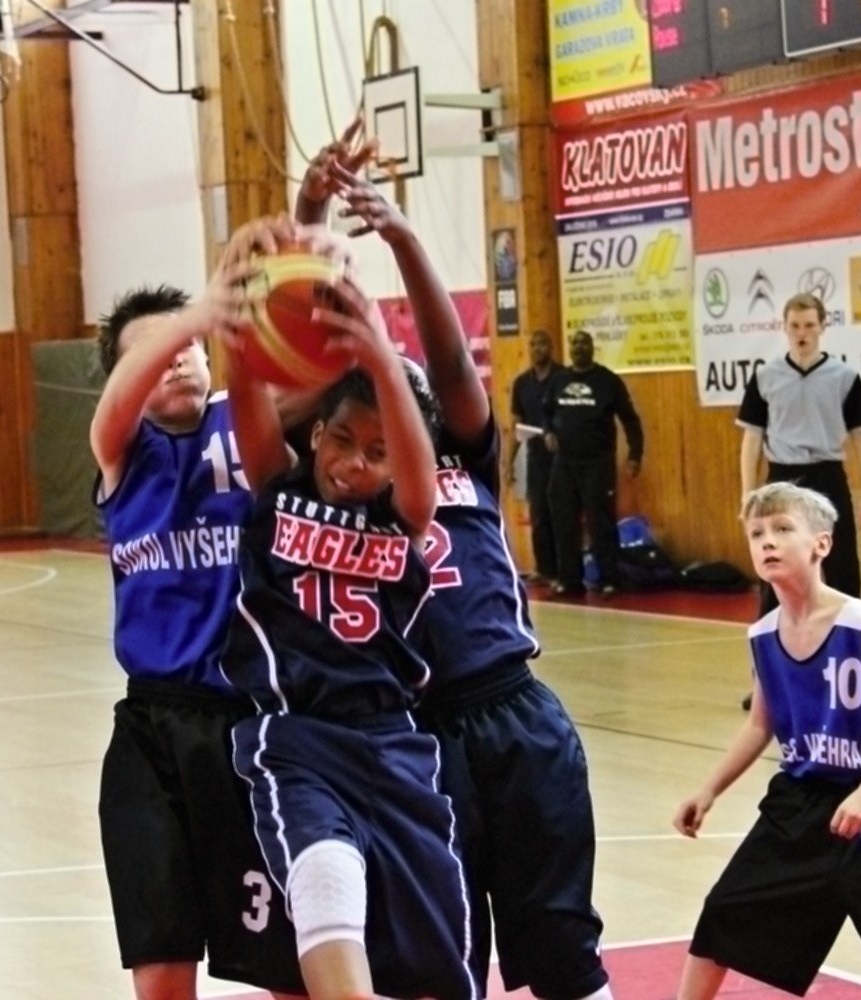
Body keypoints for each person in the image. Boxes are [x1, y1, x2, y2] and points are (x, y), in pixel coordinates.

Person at [315, 163, 612, 999]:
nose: (401, 406)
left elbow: (447, 361)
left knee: (560, 939)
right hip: (415, 733)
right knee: (442, 956)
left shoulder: (467, 457)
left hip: (516, 712)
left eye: (412, 400)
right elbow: (309, 369)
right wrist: (312, 228)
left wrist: (405, 240)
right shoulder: (345, 487)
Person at [220, 275, 481, 1000]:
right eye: (341, 440)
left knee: (437, 965)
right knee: (324, 877)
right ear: (315, 435)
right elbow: (246, 399)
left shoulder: (407, 514)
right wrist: (239, 327)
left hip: (396, 744)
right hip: (298, 738)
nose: (353, 463)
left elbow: (416, 469)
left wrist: (381, 353)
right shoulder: (278, 489)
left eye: (376, 451)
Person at [90, 220, 304, 1000]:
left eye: (189, 343)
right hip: (153, 730)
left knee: (286, 964)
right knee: (161, 965)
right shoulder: (121, 450)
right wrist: (197, 310)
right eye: (156, 349)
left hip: (254, 725)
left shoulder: (248, 426)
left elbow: (315, 380)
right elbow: (114, 407)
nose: (178, 354)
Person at [673, 482, 861, 1000]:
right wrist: (709, 790)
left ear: (821, 544)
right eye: (756, 533)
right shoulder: (763, 635)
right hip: (802, 806)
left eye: (782, 529)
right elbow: (760, 725)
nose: (767, 541)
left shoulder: (858, 624)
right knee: (723, 916)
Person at [737, 292, 861, 610]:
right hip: (782, 477)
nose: (802, 333)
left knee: (842, 565)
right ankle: (771, 633)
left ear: (822, 327)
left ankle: (848, 631)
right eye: (795, 326)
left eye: (809, 325)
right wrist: (748, 493)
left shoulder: (844, 377)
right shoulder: (765, 378)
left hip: (827, 474)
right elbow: (752, 439)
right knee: (775, 563)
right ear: (785, 328)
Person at [543, 329, 644, 596]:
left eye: (584, 342)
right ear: (570, 348)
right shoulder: (558, 380)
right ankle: (570, 580)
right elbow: (546, 414)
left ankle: (609, 579)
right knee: (564, 522)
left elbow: (630, 420)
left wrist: (635, 455)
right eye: (575, 342)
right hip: (565, 463)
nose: (579, 347)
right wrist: (549, 432)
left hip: (597, 463)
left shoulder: (607, 381)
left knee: (601, 523)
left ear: (591, 348)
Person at [510, 331, 560, 586]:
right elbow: (516, 424)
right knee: (539, 514)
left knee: (560, 514)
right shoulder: (522, 383)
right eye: (533, 344)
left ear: (551, 347)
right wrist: (509, 462)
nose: (538, 348)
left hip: (562, 458)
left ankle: (564, 571)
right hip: (536, 456)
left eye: (542, 343)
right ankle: (544, 569)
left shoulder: (562, 378)